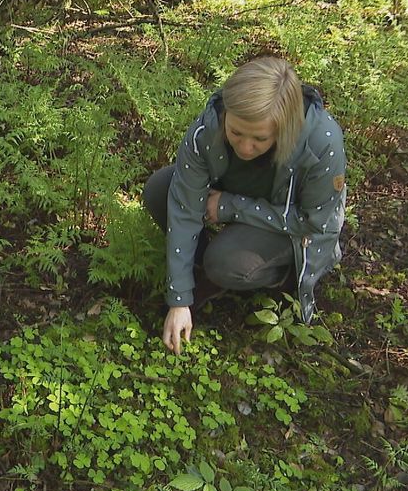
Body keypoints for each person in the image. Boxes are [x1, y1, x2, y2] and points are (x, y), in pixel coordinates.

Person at [142, 56, 347, 354]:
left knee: (226, 262)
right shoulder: (208, 128)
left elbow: (315, 222)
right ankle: (200, 270)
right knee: (160, 189)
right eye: (236, 132)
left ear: (283, 127)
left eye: (260, 139)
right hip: (245, 202)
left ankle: (276, 276)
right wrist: (179, 300)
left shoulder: (321, 143)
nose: (245, 147)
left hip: (291, 224)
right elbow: (185, 208)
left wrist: (230, 206)